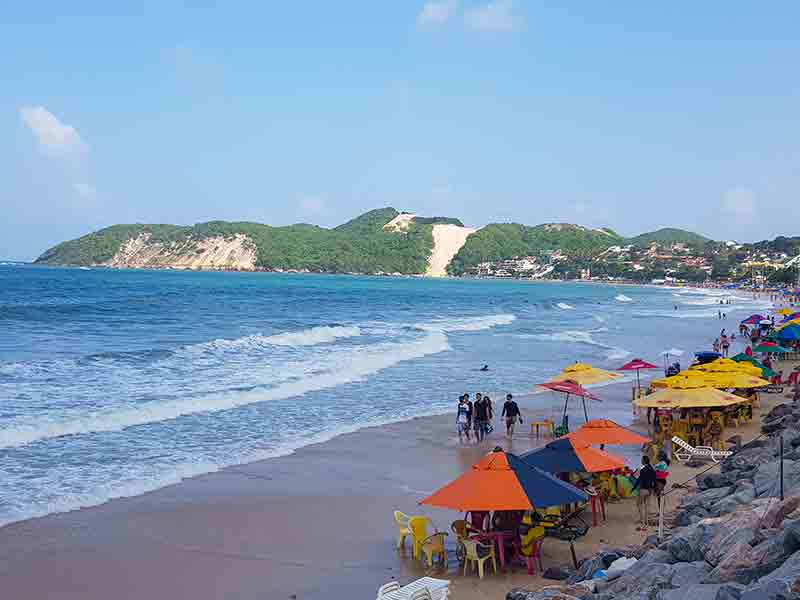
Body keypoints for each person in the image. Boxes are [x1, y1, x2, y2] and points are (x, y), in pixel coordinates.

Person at [633, 455, 657, 530]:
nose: (641, 461)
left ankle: (641, 519)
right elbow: (654, 480)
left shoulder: (643, 469)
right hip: (650, 490)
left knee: (639, 504)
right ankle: (646, 521)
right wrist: (654, 490)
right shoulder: (652, 469)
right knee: (647, 505)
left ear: (644, 461)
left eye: (642, 460)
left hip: (643, 489)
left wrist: (633, 488)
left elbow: (639, 479)